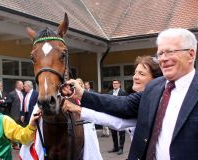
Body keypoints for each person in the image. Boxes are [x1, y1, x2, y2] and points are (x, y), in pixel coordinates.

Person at [62, 28, 198, 160]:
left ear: (191, 54)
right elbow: (122, 104)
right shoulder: (154, 87)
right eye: (160, 53)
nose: (163, 58)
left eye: (170, 52)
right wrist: (82, 94)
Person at [63, 55, 162, 141]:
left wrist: (82, 94)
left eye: (142, 74)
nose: (135, 77)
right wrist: (78, 108)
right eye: (135, 72)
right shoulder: (150, 99)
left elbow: (122, 105)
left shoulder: (150, 100)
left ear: (156, 80)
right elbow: (116, 122)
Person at [108, 79, 127, 155]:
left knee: (121, 132)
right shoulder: (110, 93)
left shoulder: (123, 93)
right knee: (113, 132)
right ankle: (115, 147)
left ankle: (121, 148)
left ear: (119, 84)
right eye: (113, 83)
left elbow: (126, 103)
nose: (115, 85)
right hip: (112, 115)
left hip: (120, 115)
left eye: (116, 83)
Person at [8, 80, 24, 150]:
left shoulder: (23, 93)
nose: (23, 85)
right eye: (21, 84)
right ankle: (14, 145)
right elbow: (9, 105)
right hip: (14, 114)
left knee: (22, 129)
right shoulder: (11, 94)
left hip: (22, 114)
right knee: (14, 129)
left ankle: (21, 145)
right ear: (17, 85)